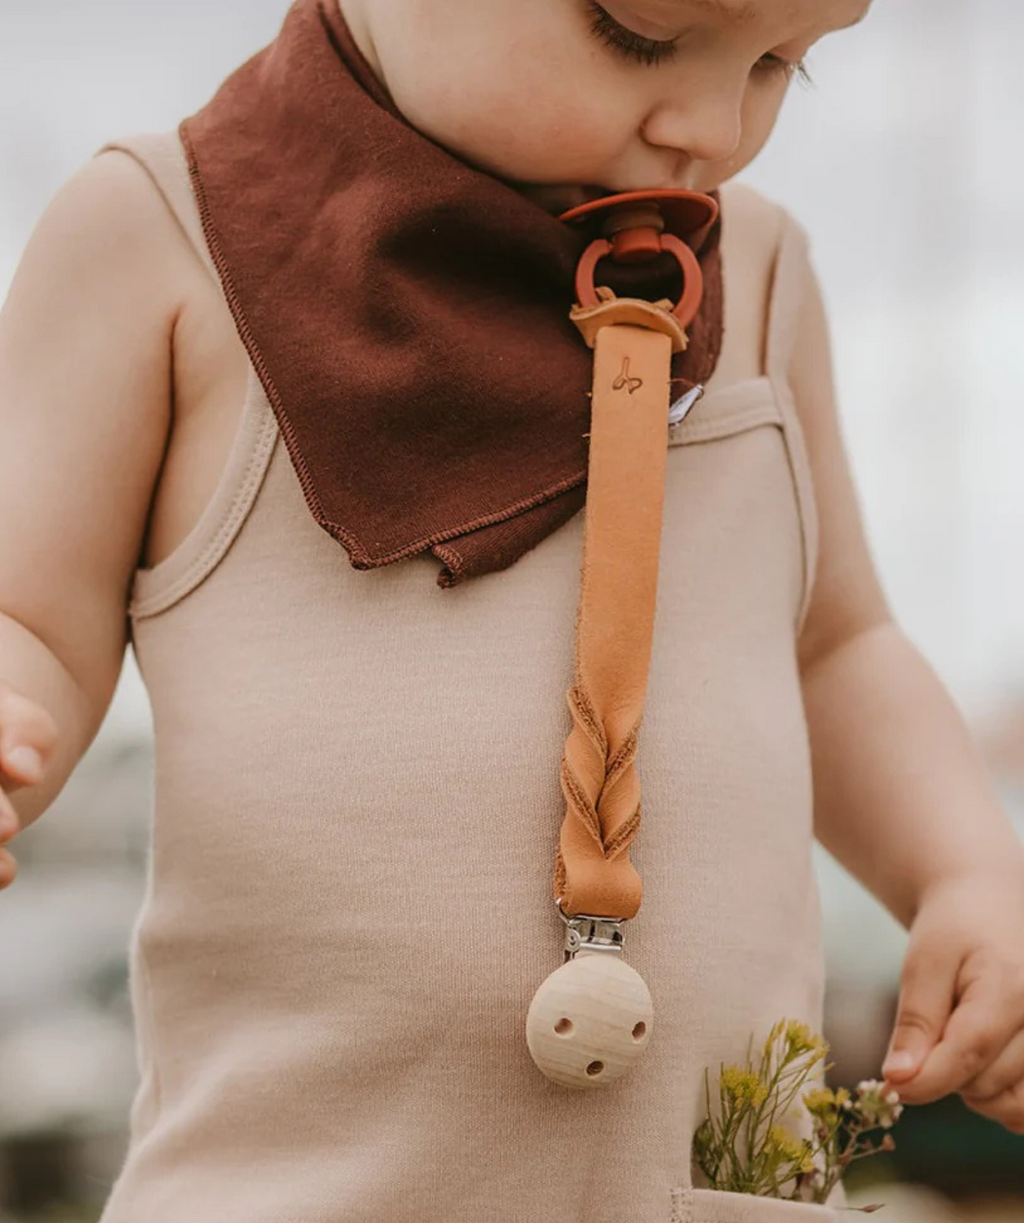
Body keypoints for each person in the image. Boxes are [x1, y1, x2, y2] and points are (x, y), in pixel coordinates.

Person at [2, 1, 1023, 1220]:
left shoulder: (757, 275)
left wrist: (964, 867)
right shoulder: (157, 234)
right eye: (638, 35)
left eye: (779, 68)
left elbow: (838, 644)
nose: (706, 124)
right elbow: (29, 615)